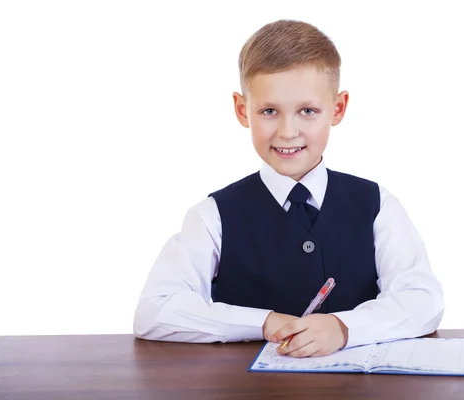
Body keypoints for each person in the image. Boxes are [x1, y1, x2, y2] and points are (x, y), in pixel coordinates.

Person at [133, 19, 444, 358]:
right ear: (242, 110)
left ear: (337, 109)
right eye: (269, 111)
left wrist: (344, 328)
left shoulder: (377, 204)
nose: (287, 131)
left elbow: (423, 300)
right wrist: (263, 322)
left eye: (307, 111)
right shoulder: (213, 216)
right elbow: (155, 311)